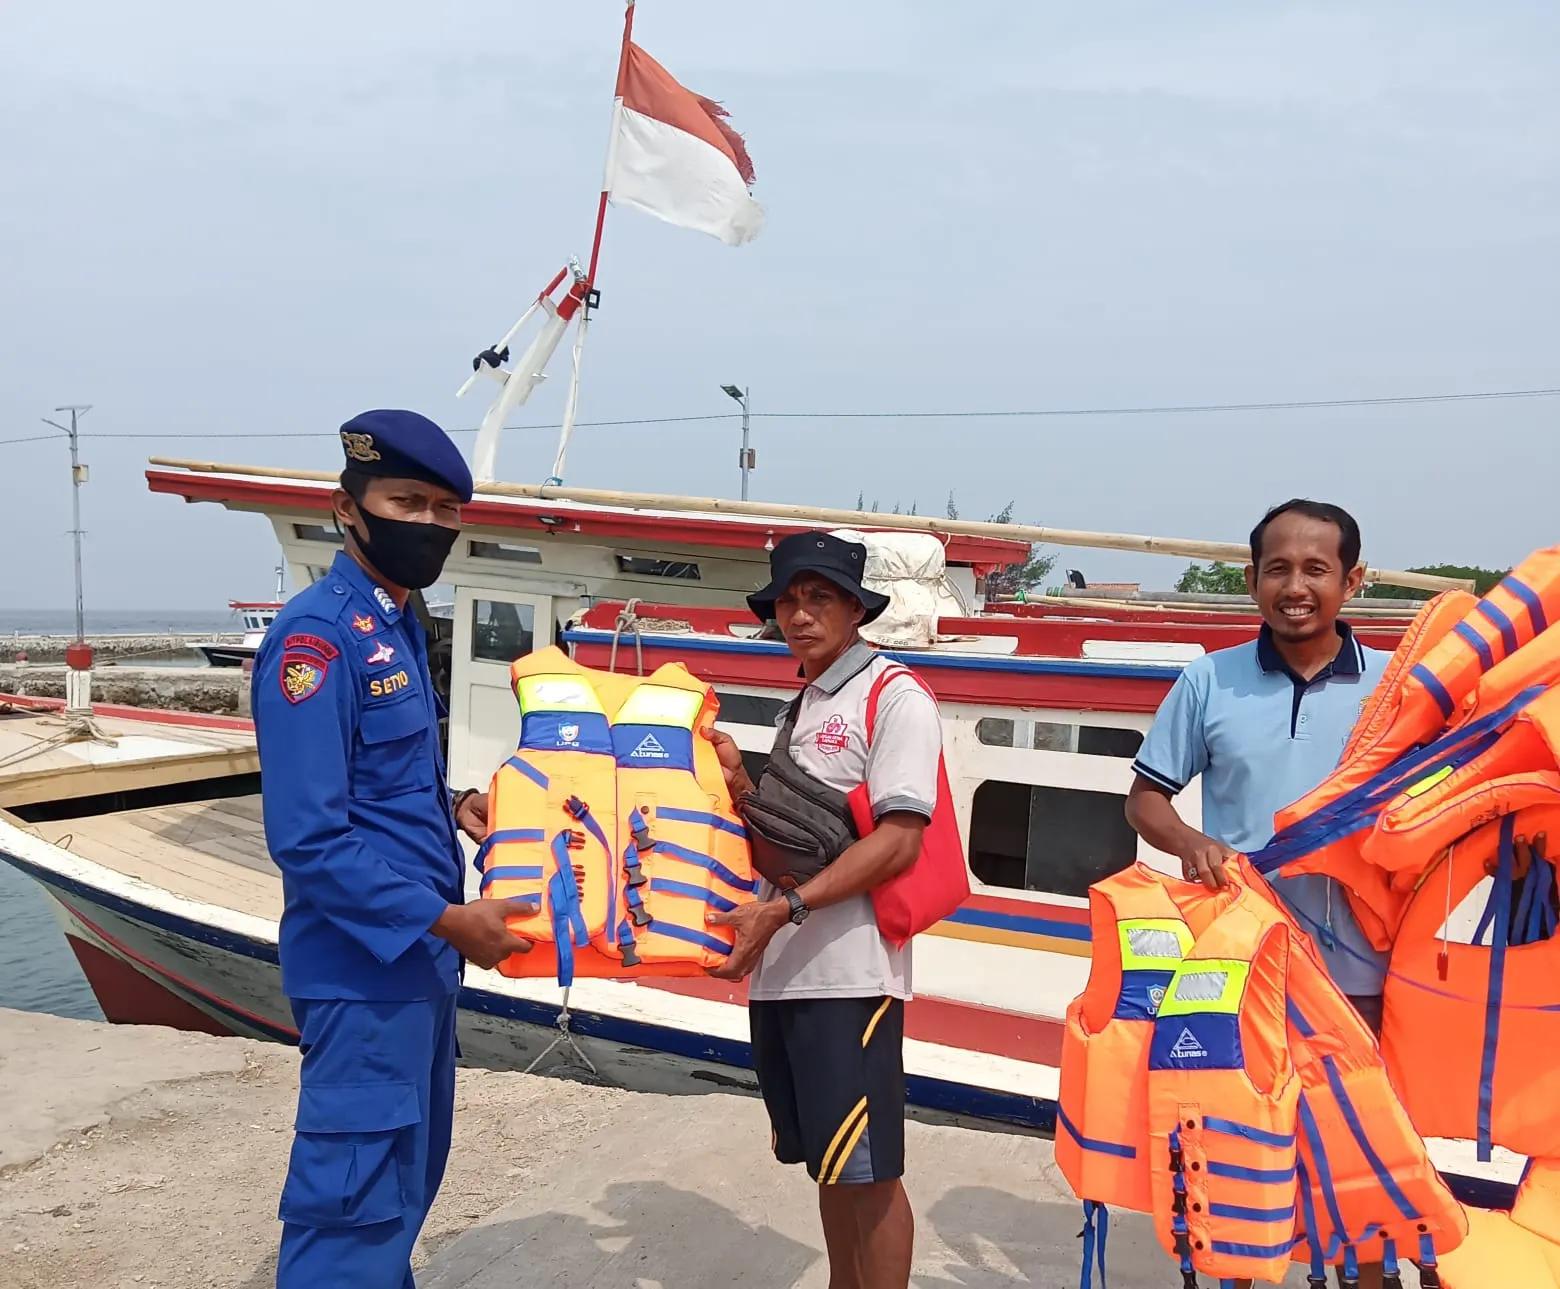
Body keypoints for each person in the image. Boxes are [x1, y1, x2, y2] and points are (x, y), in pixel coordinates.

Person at [253, 409, 535, 1289]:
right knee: (351, 1217)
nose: (430, 524)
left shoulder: (399, 622)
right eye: (407, 500)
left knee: (400, 1198)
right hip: (364, 968)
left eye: (446, 509)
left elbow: (382, 779)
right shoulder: (317, 638)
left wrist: (458, 806)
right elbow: (308, 836)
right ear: (349, 508)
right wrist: (449, 919)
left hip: (415, 971)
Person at [1125, 498, 1389, 1289]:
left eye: (1317, 568)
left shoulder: (1397, 688)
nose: (1295, 586)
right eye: (1278, 568)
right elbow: (1145, 798)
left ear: (1354, 580)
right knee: (1244, 1156)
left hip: (1365, 973)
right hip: (1241, 970)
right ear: (1252, 580)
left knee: (1361, 1160)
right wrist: (1195, 843)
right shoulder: (1208, 680)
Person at [702, 531, 944, 1289]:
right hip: (789, 973)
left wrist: (789, 908)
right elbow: (785, 847)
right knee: (832, 1166)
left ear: (854, 608)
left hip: (852, 972)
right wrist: (742, 784)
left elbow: (901, 841)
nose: (801, 614)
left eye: (820, 598)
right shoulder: (803, 703)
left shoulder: (892, 693)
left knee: (870, 1172)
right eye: (789, 600)